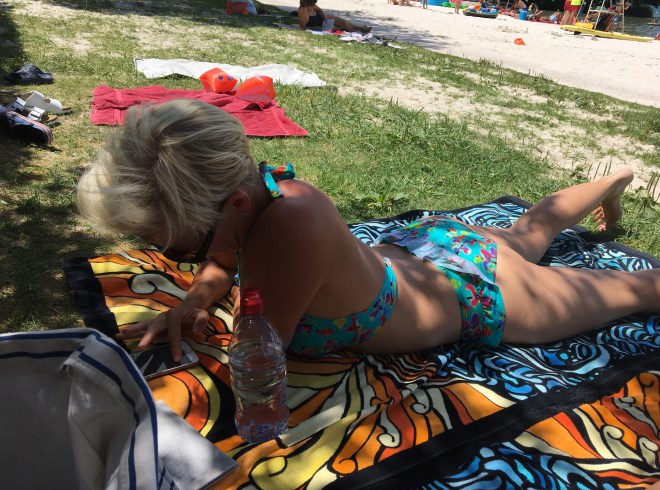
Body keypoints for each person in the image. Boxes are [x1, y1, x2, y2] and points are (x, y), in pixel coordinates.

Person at [76, 100, 660, 362]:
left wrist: (204, 317)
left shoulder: (289, 226)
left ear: (232, 202)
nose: (178, 257)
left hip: (481, 293)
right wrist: (194, 302)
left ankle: (616, 179)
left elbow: (260, 353)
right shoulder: (259, 192)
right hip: (431, 248)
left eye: (181, 245)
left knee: (637, 289)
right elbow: (223, 260)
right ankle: (614, 178)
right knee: (532, 227)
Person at [297, 0, 371, 32]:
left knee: (343, 22)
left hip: (322, 19)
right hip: (318, 25)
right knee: (340, 28)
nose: (315, 3)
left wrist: (325, 19)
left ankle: (359, 27)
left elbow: (319, 10)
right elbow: (303, 27)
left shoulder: (311, 5)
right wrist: (317, 28)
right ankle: (359, 29)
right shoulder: (303, 10)